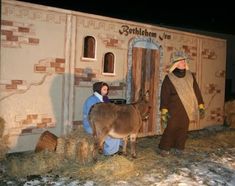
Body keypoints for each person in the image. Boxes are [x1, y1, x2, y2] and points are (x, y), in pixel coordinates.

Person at [158, 51, 205, 156]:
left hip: (187, 106)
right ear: (176, 63)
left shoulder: (190, 76)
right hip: (174, 107)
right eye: (181, 61)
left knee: (183, 128)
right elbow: (164, 95)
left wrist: (201, 105)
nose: (184, 62)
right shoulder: (169, 78)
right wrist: (164, 111)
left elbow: (196, 91)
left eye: (184, 61)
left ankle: (179, 147)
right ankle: (164, 147)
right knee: (171, 127)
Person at [82, 81, 121, 155]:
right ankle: (109, 153)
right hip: (92, 125)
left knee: (118, 131)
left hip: (104, 123)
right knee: (111, 135)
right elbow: (92, 117)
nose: (106, 91)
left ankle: (114, 150)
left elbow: (109, 111)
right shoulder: (91, 100)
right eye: (104, 89)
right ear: (98, 89)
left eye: (107, 89)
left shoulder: (105, 98)